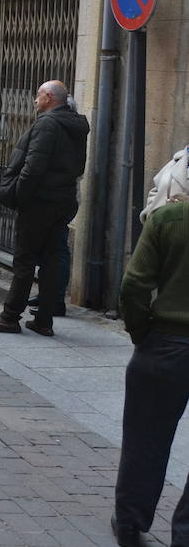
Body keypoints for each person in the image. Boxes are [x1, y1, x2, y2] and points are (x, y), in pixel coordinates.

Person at [0, 80, 89, 336]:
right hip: (62, 199)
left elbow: (34, 165)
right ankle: (44, 319)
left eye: (38, 95)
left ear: (49, 97)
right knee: (50, 260)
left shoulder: (48, 123)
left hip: (40, 201)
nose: (35, 100)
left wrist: (18, 196)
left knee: (25, 259)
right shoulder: (74, 125)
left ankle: (10, 316)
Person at [114, 197, 189, 546]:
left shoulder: (169, 217)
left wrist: (142, 333)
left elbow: (134, 285)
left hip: (167, 342)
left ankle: (130, 523)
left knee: (146, 439)